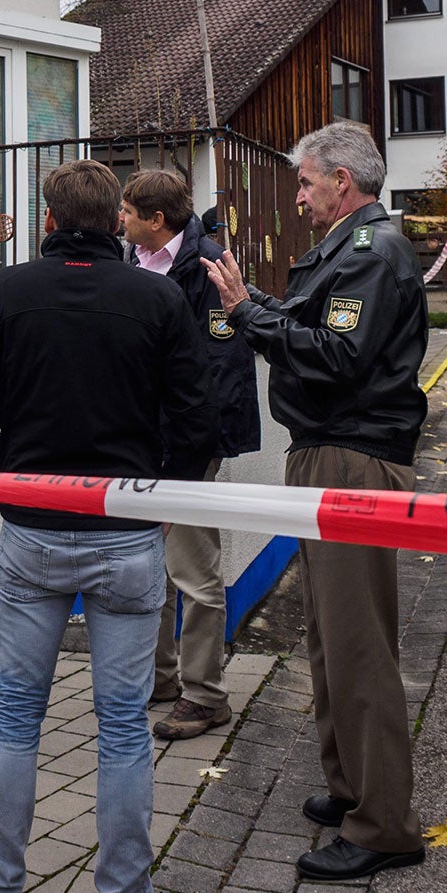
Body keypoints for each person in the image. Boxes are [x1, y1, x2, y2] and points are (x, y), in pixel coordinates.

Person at [0, 160, 217, 893]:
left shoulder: (4, 295)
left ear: (47, 219)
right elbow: (196, 420)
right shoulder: (157, 297)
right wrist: (151, 493)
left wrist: (10, 496)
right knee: (124, 731)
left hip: (31, 534)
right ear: (115, 221)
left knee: (14, 717)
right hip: (125, 537)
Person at [202, 122, 429, 881]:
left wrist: (245, 312)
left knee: (358, 644)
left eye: (305, 182)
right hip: (330, 451)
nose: (297, 197)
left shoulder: (371, 250)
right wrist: (254, 302)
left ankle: (383, 826)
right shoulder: (347, 250)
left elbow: (336, 356)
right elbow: (310, 327)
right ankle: (352, 789)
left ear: (344, 181)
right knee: (330, 638)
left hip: (353, 457)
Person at [119, 168, 262, 742]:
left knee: (195, 574)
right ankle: (159, 679)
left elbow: (218, 371)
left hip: (186, 447)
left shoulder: (208, 268)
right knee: (146, 568)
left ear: (157, 220)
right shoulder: (131, 262)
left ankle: (205, 696)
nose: (120, 220)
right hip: (138, 444)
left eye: (128, 212)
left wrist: (188, 454)